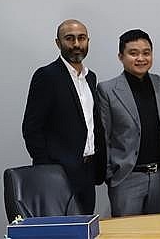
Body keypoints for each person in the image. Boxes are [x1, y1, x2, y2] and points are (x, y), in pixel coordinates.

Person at [22, 19, 106, 214]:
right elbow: (31, 129)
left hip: (87, 171)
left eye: (81, 38)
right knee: (62, 230)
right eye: (69, 39)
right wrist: (47, 170)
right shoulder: (47, 76)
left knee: (85, 228)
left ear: (88, 41)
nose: (76, 44)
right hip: (58, 173)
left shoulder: (90, 77)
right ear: (58, 43)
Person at [98, 29, 160, 216]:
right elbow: (103, 134)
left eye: (146, 53)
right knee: (126, 233)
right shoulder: (107, 89)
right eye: (133, 53)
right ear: (120, 56)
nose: (141, 58)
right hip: (126, 177)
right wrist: (110, 174)